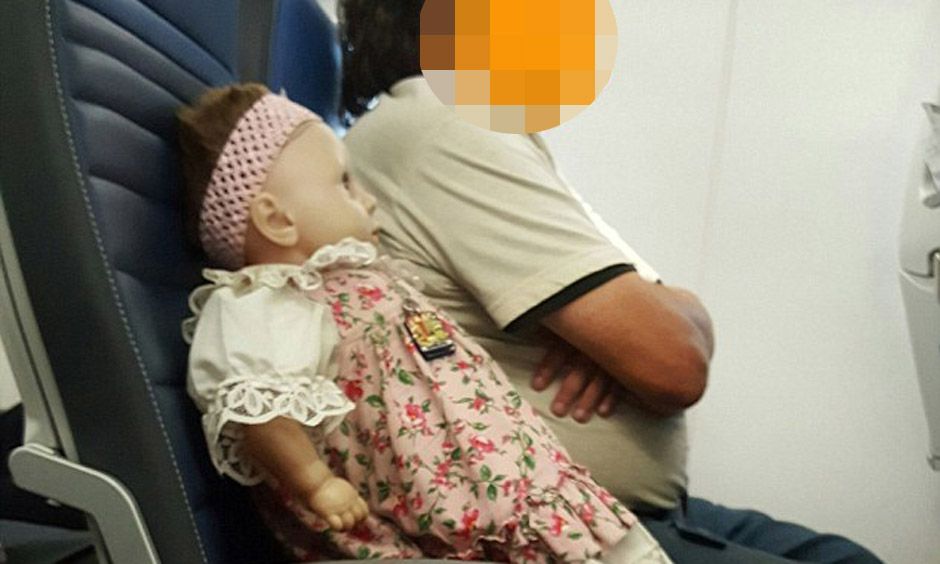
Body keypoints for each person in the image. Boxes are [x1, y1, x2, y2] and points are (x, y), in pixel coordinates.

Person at [337, 2, 882, 562]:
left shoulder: (477, 126)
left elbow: (676, 322)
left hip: (609, 509)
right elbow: (675, 364)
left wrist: (633, 325)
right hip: (556, 525)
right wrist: (633, 327)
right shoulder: (447, 123)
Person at [176, 83, 672, 563]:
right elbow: (259, 408)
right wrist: (316, 482)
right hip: (429, 519)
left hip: (499, 476)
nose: (367, 199)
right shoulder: (265, 304)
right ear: (278, 221)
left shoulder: (367, 278)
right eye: (345, 182)